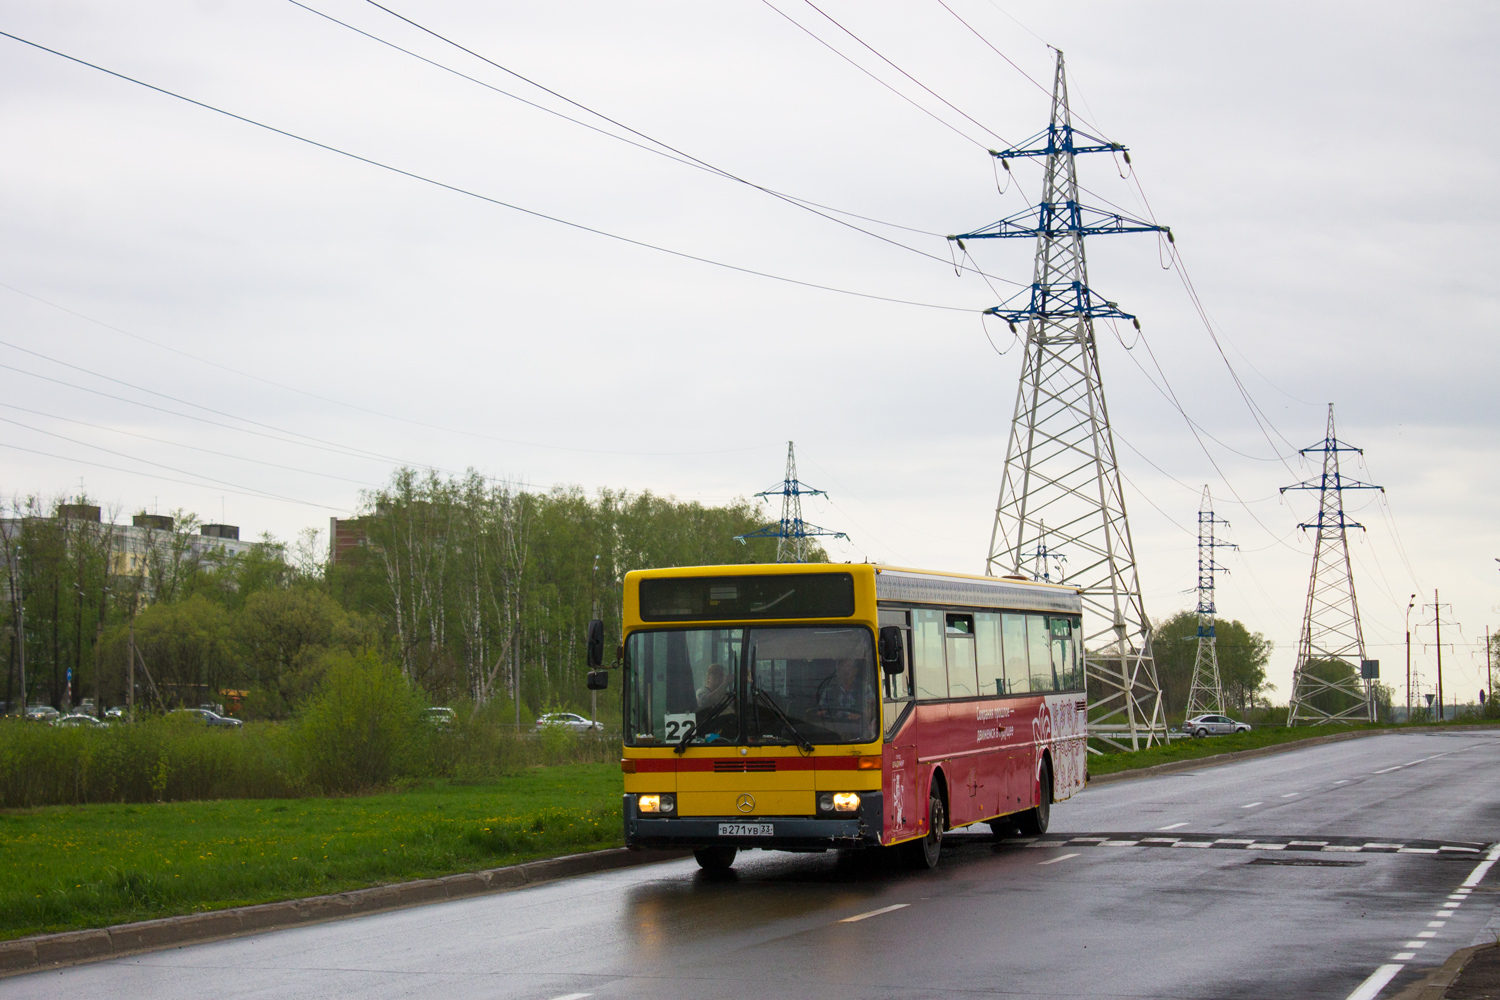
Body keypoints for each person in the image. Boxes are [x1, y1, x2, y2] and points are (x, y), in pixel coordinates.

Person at [816, 658, 871, 724]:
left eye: (848, 667)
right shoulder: (830, 688)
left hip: (857, 727)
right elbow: (822, 707)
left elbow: (872, 707)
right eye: (843, 667)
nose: (846, 670)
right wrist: (822, 712)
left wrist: (860, 714)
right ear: (838, 670)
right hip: (834, 725)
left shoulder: (864, 687)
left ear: (855, 670)